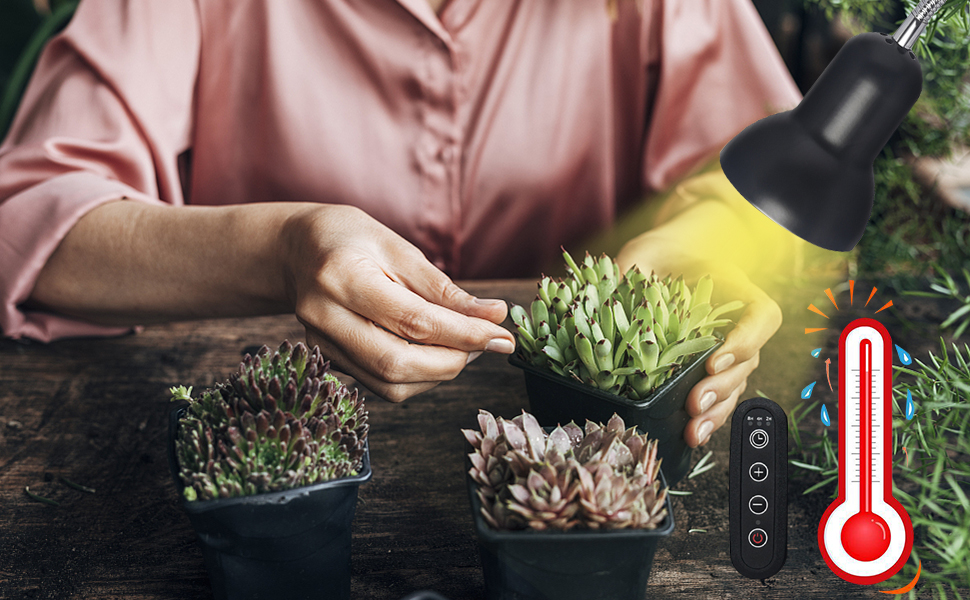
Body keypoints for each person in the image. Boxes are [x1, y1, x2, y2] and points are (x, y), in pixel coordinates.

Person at [0, 0, 800, 448]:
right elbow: (31, 219)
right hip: (285, 435)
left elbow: (766, 179)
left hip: (587, 453)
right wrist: (282, 251)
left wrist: (696, 247)